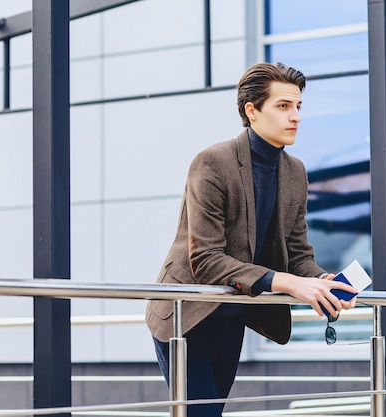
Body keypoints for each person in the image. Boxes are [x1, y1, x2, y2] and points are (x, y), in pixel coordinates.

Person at [145, 62, 358, 417]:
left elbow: (297, 253)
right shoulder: (212, 163)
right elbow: (207, 259)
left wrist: (321, 280)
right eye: (283, 106)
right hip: (187, 315)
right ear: (252, 111)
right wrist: (290, 284)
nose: (296, 117)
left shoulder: (295, 172)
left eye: (299, 106)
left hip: (233, 315)